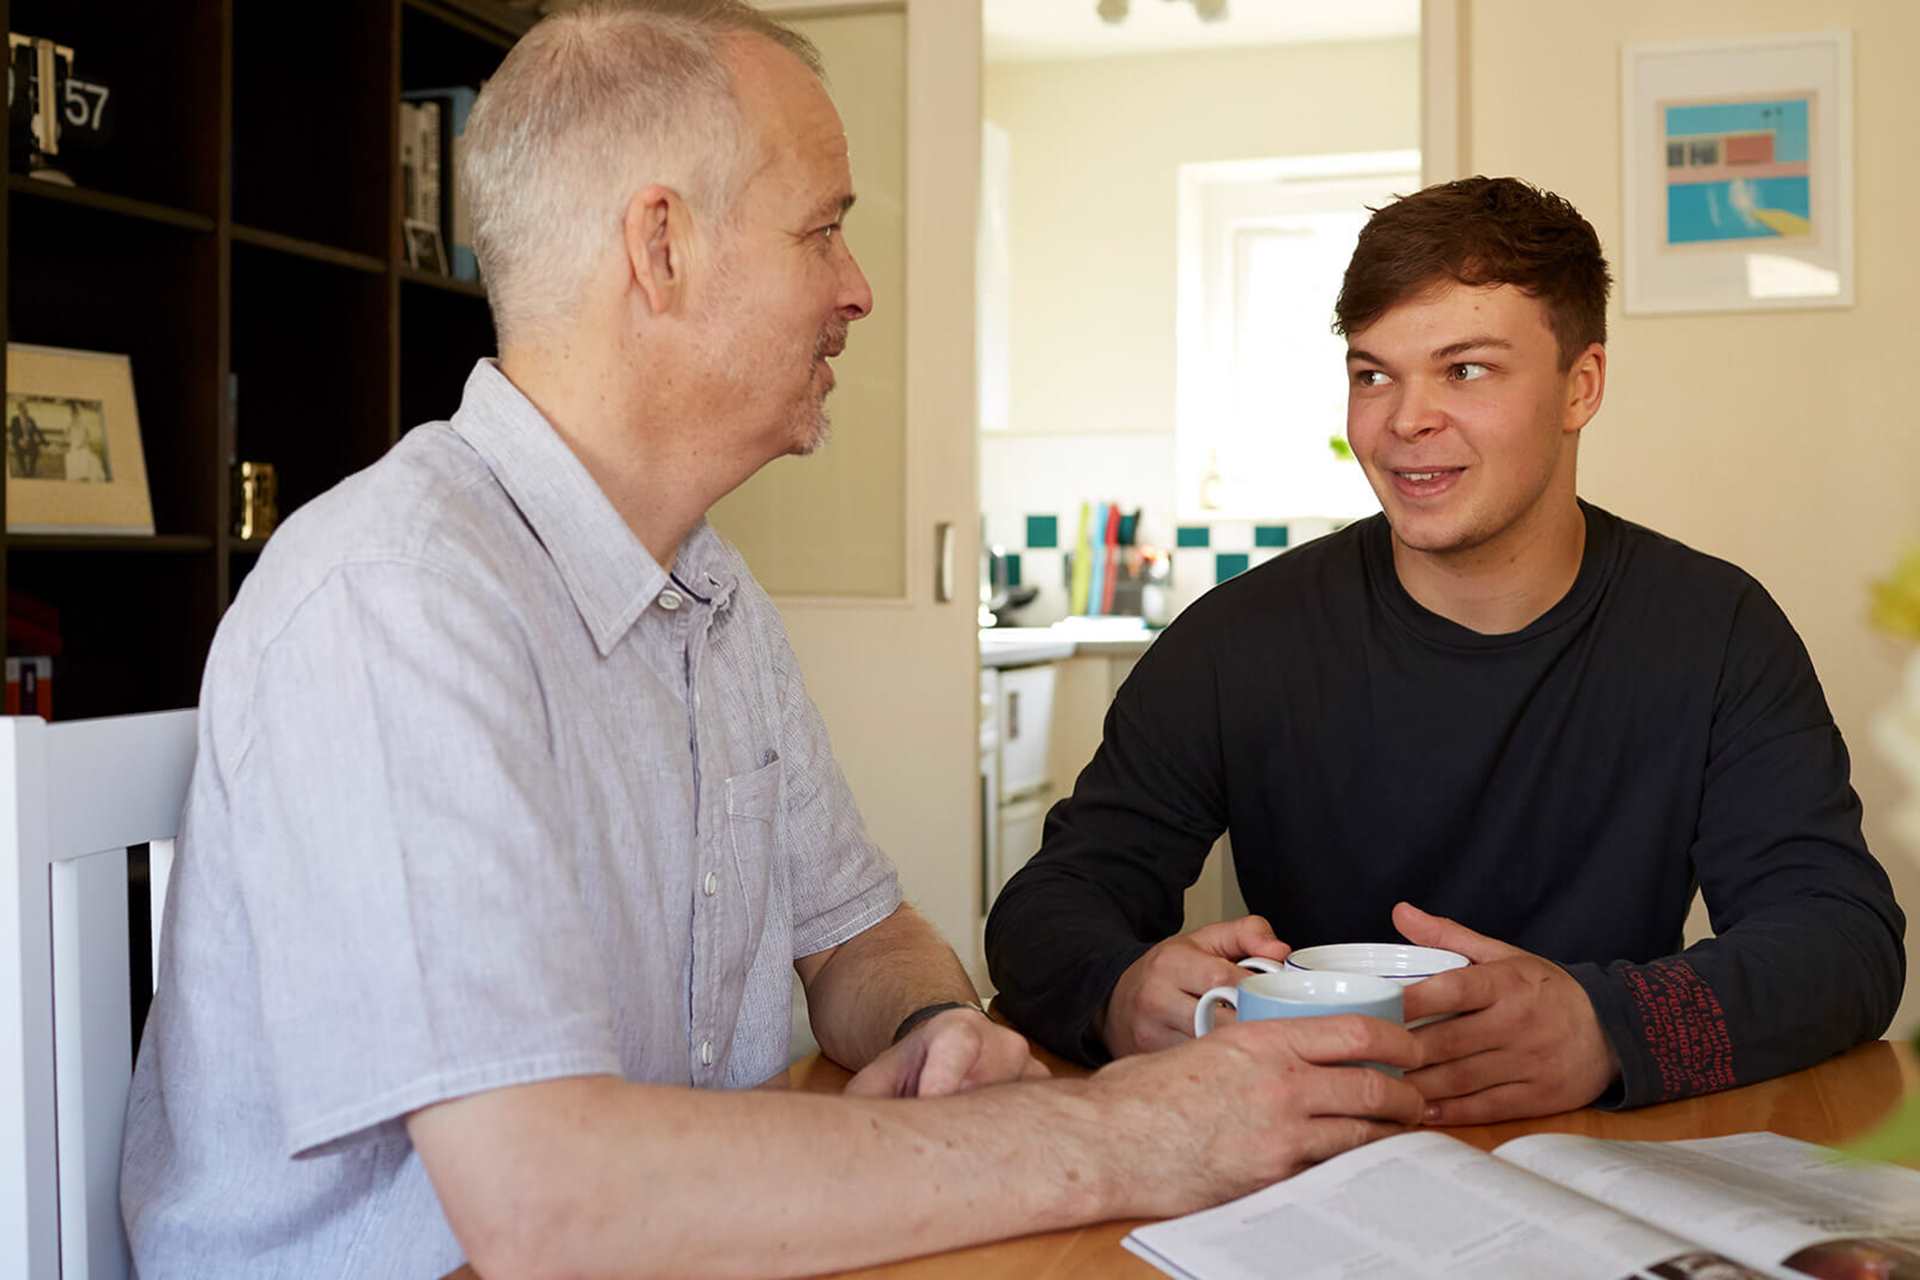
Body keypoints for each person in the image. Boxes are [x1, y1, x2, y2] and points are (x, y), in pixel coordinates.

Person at [120, 4, 1426, 1277]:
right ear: (663, 248)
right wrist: (1123, 1134)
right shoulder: (398, 603)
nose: (856, 290)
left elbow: (862, 938)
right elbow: (545, 1206)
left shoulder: (710, 592)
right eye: (824, 231)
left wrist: (931, 1027)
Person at [987, 176, 1906, 1124]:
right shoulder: (1237, 638)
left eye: (1465, 369)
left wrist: (1608, 1027)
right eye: (1373, 372)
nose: (1402, 420)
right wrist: (1120, 988)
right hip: (1318, 1148)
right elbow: (1047, 907)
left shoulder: (1715, 631)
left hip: (1605, 1151)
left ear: (1580, 387)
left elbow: (1844, 943)